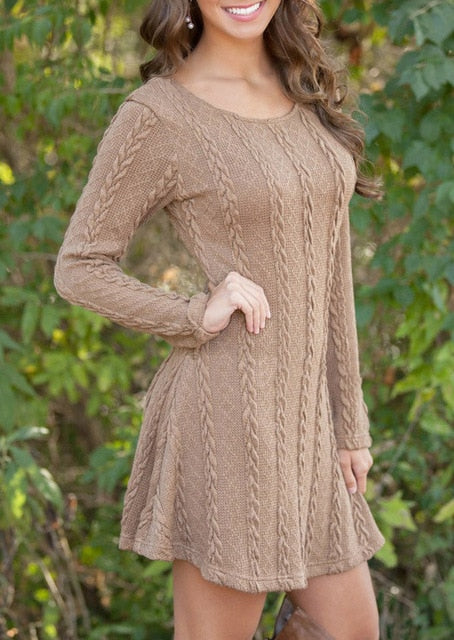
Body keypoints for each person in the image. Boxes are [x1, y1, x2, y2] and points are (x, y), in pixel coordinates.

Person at [54, 1, 386, 638]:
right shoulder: (159, 115)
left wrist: (350, 423)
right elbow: (79, 266)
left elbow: (331, 267)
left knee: (351, 630)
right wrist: (192, 313)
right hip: (228, 422)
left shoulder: (302, 88)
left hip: (309, 429)